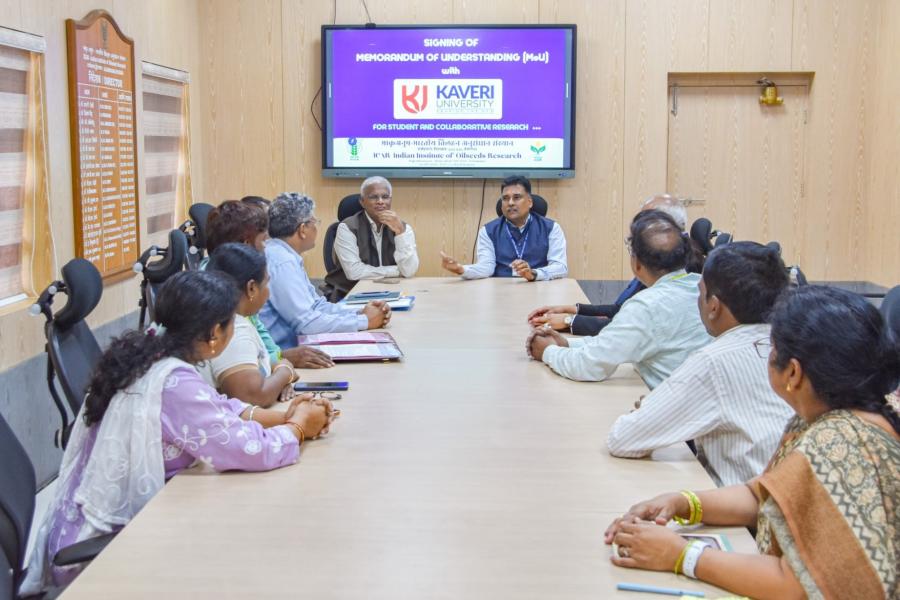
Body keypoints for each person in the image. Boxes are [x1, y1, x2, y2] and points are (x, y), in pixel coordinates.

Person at [21, 271, 338, 593]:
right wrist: (298, 428)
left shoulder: (151, 351)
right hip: (106, 553)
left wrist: (283, 416)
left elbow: (213, 406)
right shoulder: (172, 381)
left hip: (88, 526)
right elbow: (249, 451)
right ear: (215, 333)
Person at [603, 286, 899, 600]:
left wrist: (682, 555)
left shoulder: (836, 443)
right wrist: (683, 503)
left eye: (770, 351)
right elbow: (764, 494)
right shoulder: (843, 415)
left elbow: (799, 587)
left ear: (793, 373)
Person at [606, 242, 795, 486]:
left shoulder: (713, 361)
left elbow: (624, 439)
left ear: (713, 306)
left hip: (747, 514)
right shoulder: (792, 347)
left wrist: (655, 409)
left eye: (700, 292)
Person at [528, 210, 711, 387]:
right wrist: (567, 343)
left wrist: (547, 351)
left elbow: (588, 366)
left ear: (636, 264)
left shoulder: (646, 305)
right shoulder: (703, 286)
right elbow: (616, 342)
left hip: (670, 406)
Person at [527, 194, 689, 335]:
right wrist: (572, 309)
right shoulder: (657, 260)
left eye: (647, 222)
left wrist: (570, 321)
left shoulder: (675, 268)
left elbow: (628, 327)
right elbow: (621, 309)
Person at [202, 200, 333, 369]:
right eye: (264, 240)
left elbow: (261, 333)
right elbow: (243, 375)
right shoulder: (214, 292)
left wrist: (279, 360)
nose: (267, 247)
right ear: (246, 244)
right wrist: (282, 366)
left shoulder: (239, 278)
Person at [259, 192, 391, 348]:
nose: (316, 228)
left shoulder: (286, 255)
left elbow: (318, 306)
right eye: (314, 222)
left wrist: (360, 312)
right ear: (302, 229)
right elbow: (306, 324)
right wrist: (365, 321)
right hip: (287, 354)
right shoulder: (281, 261)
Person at [202, 243, 299, 407]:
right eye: (266, 283)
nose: (268, 292)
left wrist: (276, 378)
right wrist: (285, 371)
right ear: (252, 288)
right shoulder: (231, 326)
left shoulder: (224, 315)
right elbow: (251, 396)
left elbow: (261, 365)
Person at [440, 175, 568, 281]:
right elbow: (486, 267)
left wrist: (534, 273)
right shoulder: (488, 231)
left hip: (540, 288)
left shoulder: (551, 228)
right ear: (501, 205)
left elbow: (560, 267)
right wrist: (461, 269)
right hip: (500, 291)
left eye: (517, 197)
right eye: (505, 198)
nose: (511, 203)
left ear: (530, 202)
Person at [321, 176, 419, 301]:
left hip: (392, 294)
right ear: (362, 202)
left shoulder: (403, 228)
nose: (380, 201)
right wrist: (396, 271)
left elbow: (409, 271)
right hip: (350, 293)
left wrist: (400, 233)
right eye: (373, 197)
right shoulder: (347, 227)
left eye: (385, 197)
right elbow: (354, 272)